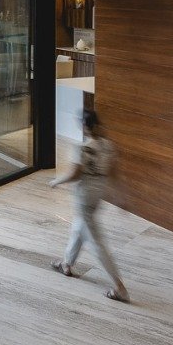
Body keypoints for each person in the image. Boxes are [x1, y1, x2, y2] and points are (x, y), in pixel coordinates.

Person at [50, 110, 129, 302]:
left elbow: (75, 174)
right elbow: (114, 173)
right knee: (79, 228)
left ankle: (119, 287)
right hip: (98, 195)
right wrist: (121, 196)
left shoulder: (82, 148)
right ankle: (66, 264)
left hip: (83, 196)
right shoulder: (108, 146)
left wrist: (55, 181)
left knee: (96, 242)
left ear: (84, 126)